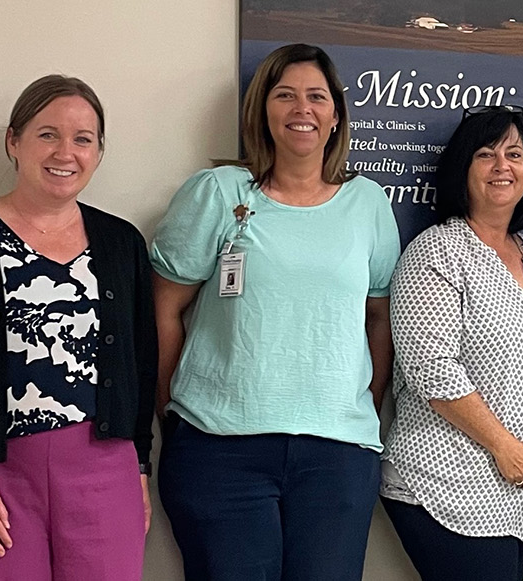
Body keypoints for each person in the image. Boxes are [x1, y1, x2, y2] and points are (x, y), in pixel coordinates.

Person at [151, 43, 400, 580]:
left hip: (336, 455)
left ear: (336, 114)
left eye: (316, 96)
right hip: (220, 450)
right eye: (284, 95)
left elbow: (379, 318)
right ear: (262, 110)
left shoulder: (368, 204)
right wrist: (171, 406)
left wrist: (361, 403)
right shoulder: (218, 192)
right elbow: (163, 308)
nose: (301, 109)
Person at [0, 74, 156, 580]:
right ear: (13, 141)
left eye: (83, 139)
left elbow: (141, 362)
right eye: (47, 134)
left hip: (105, 471)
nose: (66, 151)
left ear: (99, 152)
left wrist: (140, 467)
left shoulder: (120, 242)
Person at [379, 105, 523, 581]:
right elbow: (430, 365)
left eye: (514, 154)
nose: (502, 166)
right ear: (461, 170)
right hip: (445, 482)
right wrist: (503, 447)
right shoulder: (436, 251)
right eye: (485, 154)